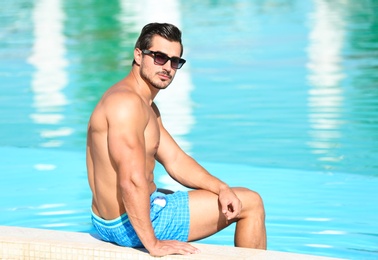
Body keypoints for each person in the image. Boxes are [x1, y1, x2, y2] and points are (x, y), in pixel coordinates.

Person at [86, 22, 267, 257]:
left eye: (175, 61)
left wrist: (221, 188)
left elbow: (175, 161)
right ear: (138, 55)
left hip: (105, 220)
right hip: (128, 226)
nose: (168, 67)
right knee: (251, 202)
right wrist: (153, 244)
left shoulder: (144, 104)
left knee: (187, 193)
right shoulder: (127, 105)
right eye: (159, 57)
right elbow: (131, 180)